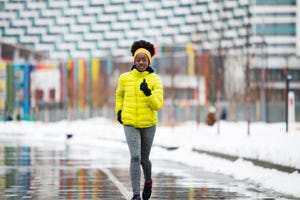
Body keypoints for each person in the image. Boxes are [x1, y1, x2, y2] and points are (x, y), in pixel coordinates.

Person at [115, 40, 164, 200]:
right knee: (135, 157)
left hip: (149, 124)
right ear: (134, 60)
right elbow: (119, 95)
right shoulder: (124, 78)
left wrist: (148, 93)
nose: (141, 62)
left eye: (144, 59)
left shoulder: (155, 80)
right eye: (138, 59)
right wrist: (119, 111)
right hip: (130, 123)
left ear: (149, 61)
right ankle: (136, 194)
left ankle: (148, 181)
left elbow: (158, 105)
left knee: (144, 159)